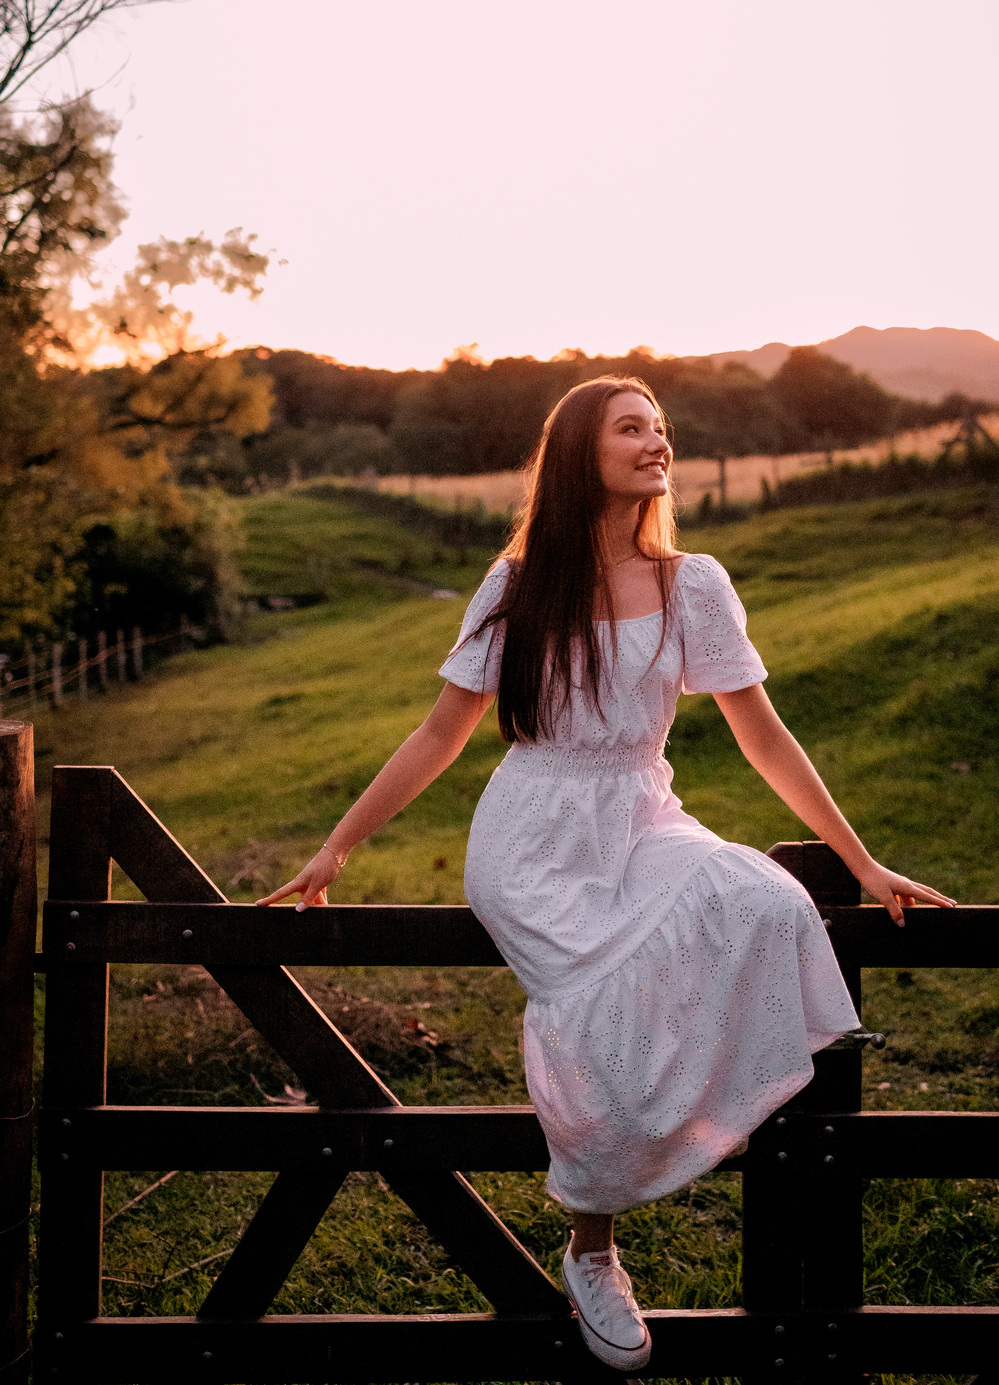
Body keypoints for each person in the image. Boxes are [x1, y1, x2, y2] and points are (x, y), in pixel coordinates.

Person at [259, 376, 954, 1371]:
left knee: (762, 898)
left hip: (641, 810)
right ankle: (595, 1244)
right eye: (633, 427)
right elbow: (439, 732)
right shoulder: (516, 584)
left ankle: (708, 1117)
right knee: (600, 1006)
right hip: (532, 835)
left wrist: (860, 856)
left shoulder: (693, 583)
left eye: (662, 428)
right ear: (583, 450)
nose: (656, 441)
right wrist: (337, 843)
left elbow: (764, 736)